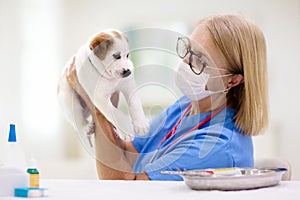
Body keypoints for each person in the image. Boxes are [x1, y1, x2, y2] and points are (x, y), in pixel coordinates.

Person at [66, 14, 268, 180]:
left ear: (232, 81)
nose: (185, 61)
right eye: (187, 49)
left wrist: (96, 104)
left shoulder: (218, 146)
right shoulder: (185, 106)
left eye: (199, 60)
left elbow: (123, 186)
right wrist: (107, 101)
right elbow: (131, 153)